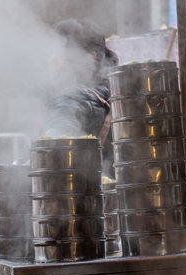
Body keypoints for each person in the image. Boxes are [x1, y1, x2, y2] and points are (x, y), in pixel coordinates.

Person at [44, 19, 118, 176]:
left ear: (90, 59)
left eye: (57, 53)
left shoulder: (71, 100)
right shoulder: (115, 94)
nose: (50, 62)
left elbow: (50, 151)